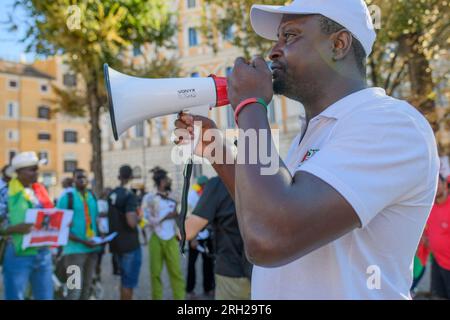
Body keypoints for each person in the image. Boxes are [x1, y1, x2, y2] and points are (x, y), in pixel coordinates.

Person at [174, 0, 439, 299]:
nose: (273, 50)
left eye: (289, 36)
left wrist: (250, 106)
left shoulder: (390, 124)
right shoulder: (315, 131)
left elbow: (270, 235)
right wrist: (217, 151)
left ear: (338, 44)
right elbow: (264, 209)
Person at [185, 176, 251, 300]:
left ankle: (207, 288)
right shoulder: (269, 177)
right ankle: (193, 289)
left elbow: (187, 231)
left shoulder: (218, 184)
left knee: (206, 265)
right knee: (194, 264)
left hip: (232, 272)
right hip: (263, 271)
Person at [1, 152, 54, 300]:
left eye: (36, 169)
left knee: (45, 296)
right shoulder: (5, 193)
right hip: (18, 253)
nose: (36, 172)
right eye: (32, 169)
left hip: (43, 252)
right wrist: (15, 229)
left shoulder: (40, 191)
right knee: (15, 296)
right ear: (18, 172)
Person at [57, 168, 102, 300]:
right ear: (73, 180)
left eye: (84, 177)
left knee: (87, 289)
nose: (82, 180)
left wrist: (101, 236)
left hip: (92, 249)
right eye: (79, 177)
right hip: (73, 251)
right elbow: (59, 225)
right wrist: (83, 241)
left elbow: (96, 219)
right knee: (74, 290)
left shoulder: (92, 196)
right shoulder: (67, 198)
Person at [141, 167, 185, 300]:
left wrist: (177, 215)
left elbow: (181, 216)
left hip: (172, 237)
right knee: (155, 273)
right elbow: (144, 219)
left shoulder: (173, 196)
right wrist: (164, 217)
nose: (168, 181)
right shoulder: (149, 198)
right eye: (166, 179)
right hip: (155, 237)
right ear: (160, 181)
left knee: (176, 272)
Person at [108, 165, 142, 300]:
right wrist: (139, 217)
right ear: (131, 177)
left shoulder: (112, 193)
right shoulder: (130, 195)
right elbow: (131, 222)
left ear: (119, 177)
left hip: (116, 244)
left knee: (124, 281)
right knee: (129, 283)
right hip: (130, 245)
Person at [186, 175, 215, 299]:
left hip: (207, 235)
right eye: (205, 185)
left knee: (208, 263)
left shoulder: (208, 194)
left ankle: (208, 288)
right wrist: (192, 238)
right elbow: (188, 217)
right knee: (192, 264)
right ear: (202, 185)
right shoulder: (192, 196)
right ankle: (189, 290)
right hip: (194, 235)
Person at [423, 175, 450, 299]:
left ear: (445, 185)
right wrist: (426, 238)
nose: (436, 187)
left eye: (439, 183)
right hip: (437, 260)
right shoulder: (429, 206)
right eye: (434, 184)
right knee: (438, 295)